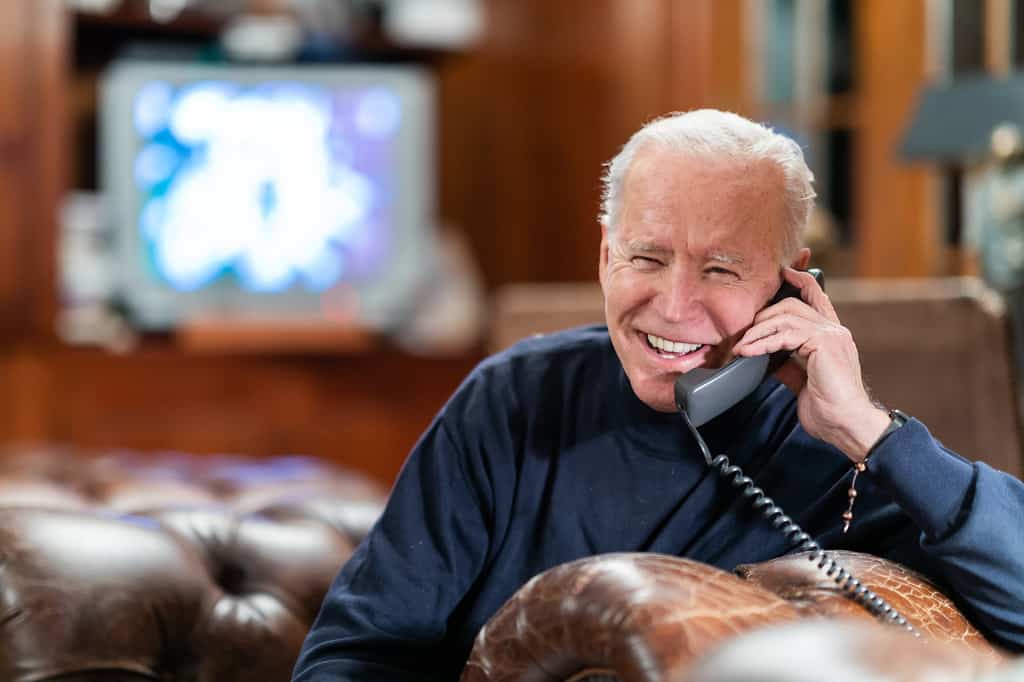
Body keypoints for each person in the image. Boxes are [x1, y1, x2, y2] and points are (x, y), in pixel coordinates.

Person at [293, 110, 1024, 681]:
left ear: (792, 285)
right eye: (646, 257)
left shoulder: (846, 458)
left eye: (721, 269)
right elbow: (357, 653)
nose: (673, 307)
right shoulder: (512, 399)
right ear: (605, 255)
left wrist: (867, 430)